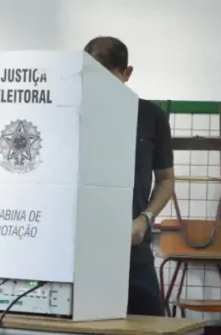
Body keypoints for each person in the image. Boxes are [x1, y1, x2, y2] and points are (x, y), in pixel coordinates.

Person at [84, 36, 175, 317]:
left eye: (107, 78)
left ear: (127, 74)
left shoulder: (150, 116)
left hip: (132, 248)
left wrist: (145, 218)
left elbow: (166, 180)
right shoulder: (70, 111)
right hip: (81, 251)